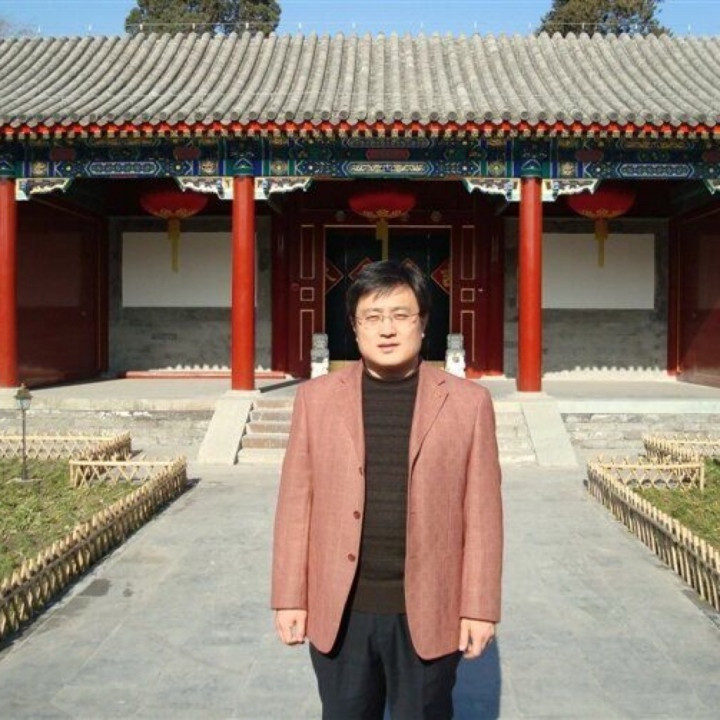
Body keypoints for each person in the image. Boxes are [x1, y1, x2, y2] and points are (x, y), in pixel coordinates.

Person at [271, 260, 503, 720]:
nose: (387, 329)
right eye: (372, 317)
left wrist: (479, 607)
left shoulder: (469, 403)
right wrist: (289, 597)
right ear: (354, 327)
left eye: (401, 315)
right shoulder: (315, 399)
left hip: (430, 608)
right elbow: (296, 504)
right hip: (342, 611)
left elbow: (483, 515)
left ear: (424, 323)